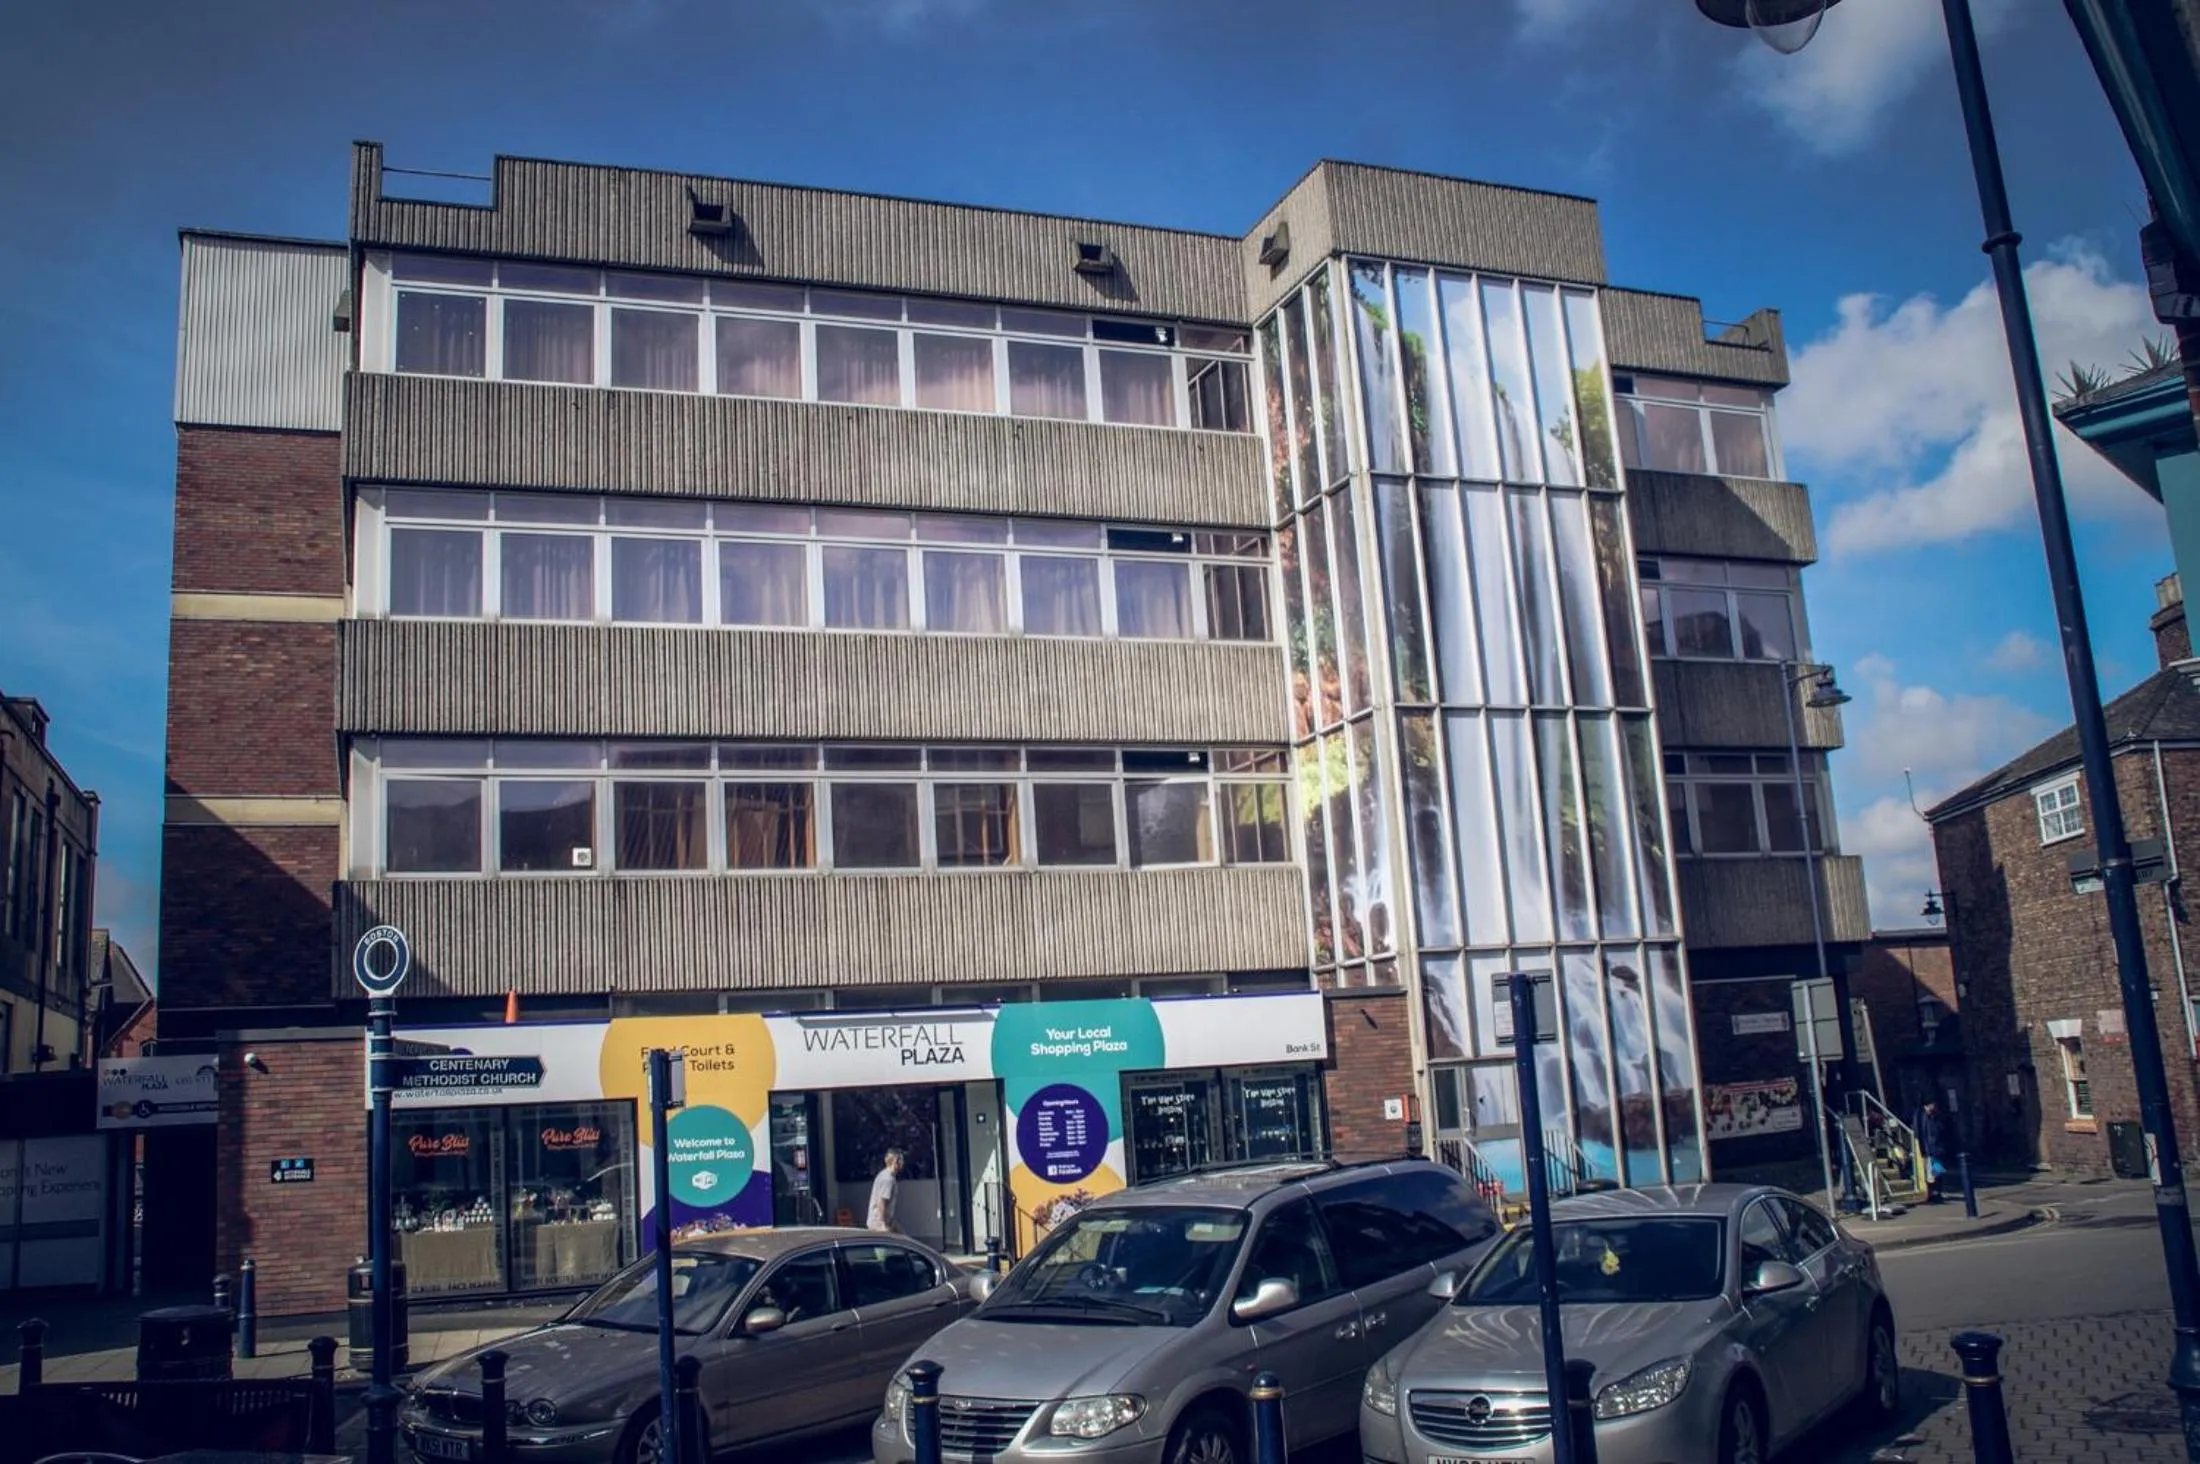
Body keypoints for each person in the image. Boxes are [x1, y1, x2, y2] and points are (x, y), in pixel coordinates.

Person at [867, 1149, 904, 1233]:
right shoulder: (888, 1179)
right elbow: (882, 1203)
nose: (903, 1163)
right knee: (900, 1237)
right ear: (895, 1162)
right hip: (879, 1223)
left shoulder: (884, 1175)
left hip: (886, 1220)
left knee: (902, 1236)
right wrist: (884, 1225)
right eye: (901, 1160)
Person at [1918, 1101, 1949, 1203]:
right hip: (1929, 1150)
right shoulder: (1923, 1118)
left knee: (1937, 1172)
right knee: (1930, 1174)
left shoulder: (1935, 1117)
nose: (1933, 1107)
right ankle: (1932, 1193)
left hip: (1936, 1149)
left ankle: (1937, 1192)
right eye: (1931, 1105)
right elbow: (1923, 1134)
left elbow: (1939, 1132)